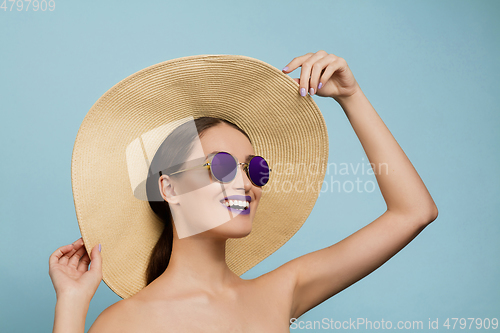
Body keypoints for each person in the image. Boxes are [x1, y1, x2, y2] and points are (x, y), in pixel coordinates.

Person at [49, 50, 438, 332]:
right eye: (220, 166)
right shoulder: (125, 323)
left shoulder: (281, 292)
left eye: (255, 168)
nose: (246, 182)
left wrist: (352, 98)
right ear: (169, 187)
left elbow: (414, 212)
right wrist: (71, 303)